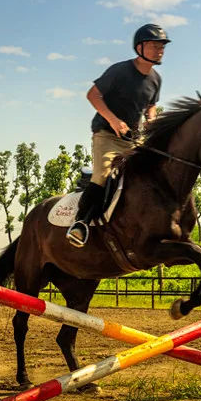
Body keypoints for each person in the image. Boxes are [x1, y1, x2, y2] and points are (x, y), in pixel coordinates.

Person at [66, 23, 170, 247]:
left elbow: (151, 105)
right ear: (140, 47)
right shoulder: (119, 70)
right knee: (103, 174)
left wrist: (152, 119)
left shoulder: (156, 79)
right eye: (155, 46)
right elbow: (93, 95)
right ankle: (80, 223)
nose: (160, 50)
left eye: (162, 46)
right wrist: (113, 120)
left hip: (134, 139)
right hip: (106, 135)